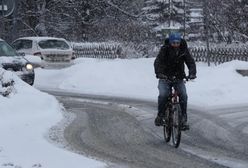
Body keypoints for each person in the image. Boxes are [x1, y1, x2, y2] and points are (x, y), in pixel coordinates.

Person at [154, 32, 196, 129]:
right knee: (163, 95)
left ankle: (183, 120)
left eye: (178, 42)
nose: (176, 45)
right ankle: (160, 116)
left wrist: (192, 73)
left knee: (183, 95)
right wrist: (159, 73)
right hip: (165, 77)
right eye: (174, 43)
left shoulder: (183, 50)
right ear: (170, 42)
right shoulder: (164, 49)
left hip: (178, 77)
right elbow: (158, 62)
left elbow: (190, 61)